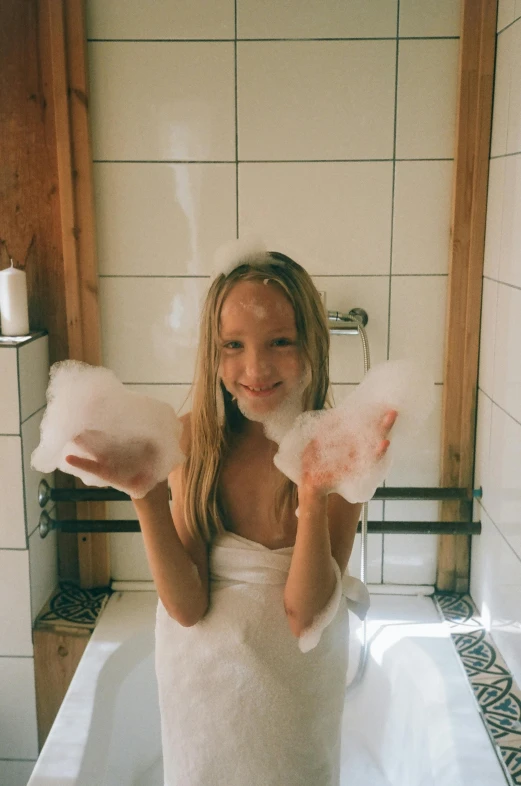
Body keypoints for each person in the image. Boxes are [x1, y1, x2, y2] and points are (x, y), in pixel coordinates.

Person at [66, 250, 396, 785]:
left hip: (296, 695)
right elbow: (187, 606)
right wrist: (145, 493)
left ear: (311, 342)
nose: (256, 368)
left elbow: (307, 615)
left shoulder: (337, 447)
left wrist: (312, 495)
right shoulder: (194, 439)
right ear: (213, 355)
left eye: (279, 342)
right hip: (205, 694)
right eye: (234, 346)